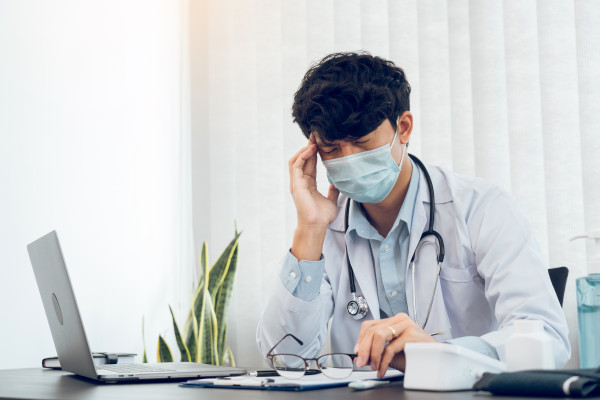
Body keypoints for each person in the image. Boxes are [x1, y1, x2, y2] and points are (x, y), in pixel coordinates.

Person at [256, 52, 570, 377]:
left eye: (361, 142)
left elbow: (548, 338)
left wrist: (441, 356)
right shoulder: (326, 227)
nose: (348, 159)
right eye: (332, 149)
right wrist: (309, 228)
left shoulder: (482, 208)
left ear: (403, 128)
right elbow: (285, 359)